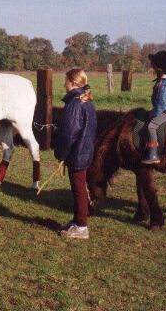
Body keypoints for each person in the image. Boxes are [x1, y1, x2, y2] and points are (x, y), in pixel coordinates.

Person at [54, 68, 97, 240]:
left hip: (77, 152)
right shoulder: (86, 100)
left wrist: (61, 154)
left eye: (65, 80)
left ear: (72, 82)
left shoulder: (74, 103)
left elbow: (69, 134)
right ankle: (77, 221)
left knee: (79, 190)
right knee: (79, 188)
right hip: (85, 150)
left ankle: (81, 227)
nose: (64, 84)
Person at [141, 50, 166, 164]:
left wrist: (153, 114)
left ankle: (153, 153)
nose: (151, 67)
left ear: (159, 69)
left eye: (153, 65)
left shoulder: (162, 85)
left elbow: (161, 104)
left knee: (151, 126)